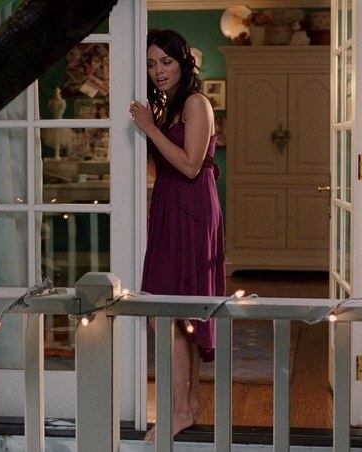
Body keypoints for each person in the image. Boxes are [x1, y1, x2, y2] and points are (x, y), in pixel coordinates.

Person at [129, 28, 226, 442]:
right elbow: (163, 168)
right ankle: (190, 407)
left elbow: (190, 165)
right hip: (170, 207)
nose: (158, 71)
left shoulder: (195, 102)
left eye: (166, 62)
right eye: (151, 64)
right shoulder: (167, 107)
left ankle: (180, 410)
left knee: (171, 312)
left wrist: (150, 130)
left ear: (183, 62)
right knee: (176, 312)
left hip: (192, 211)